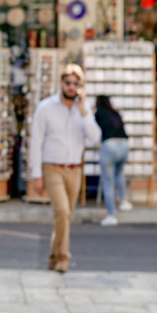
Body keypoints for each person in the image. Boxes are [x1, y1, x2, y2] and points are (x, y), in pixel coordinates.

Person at [30, 64, 102, 273]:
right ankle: (63, 258)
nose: (71, 87)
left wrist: (84, 111)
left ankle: (54, 257)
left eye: (75, 83)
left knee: (66, 216)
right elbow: (36, 141)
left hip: (75, 169)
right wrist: (36, 175)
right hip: (52, 167)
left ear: (81, 86)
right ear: (61, 83)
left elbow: (96, 138)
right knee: (62, 211)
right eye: (68, 82)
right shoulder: (46, 107)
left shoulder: (84, 109)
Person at [94, 95, 132, 226]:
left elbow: (94, 131)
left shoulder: (99, 113)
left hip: (109, 145)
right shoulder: (115, 112)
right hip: (124, 145)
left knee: (108, 181)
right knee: (119, 173)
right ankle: (123, 200)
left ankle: (112, 215)